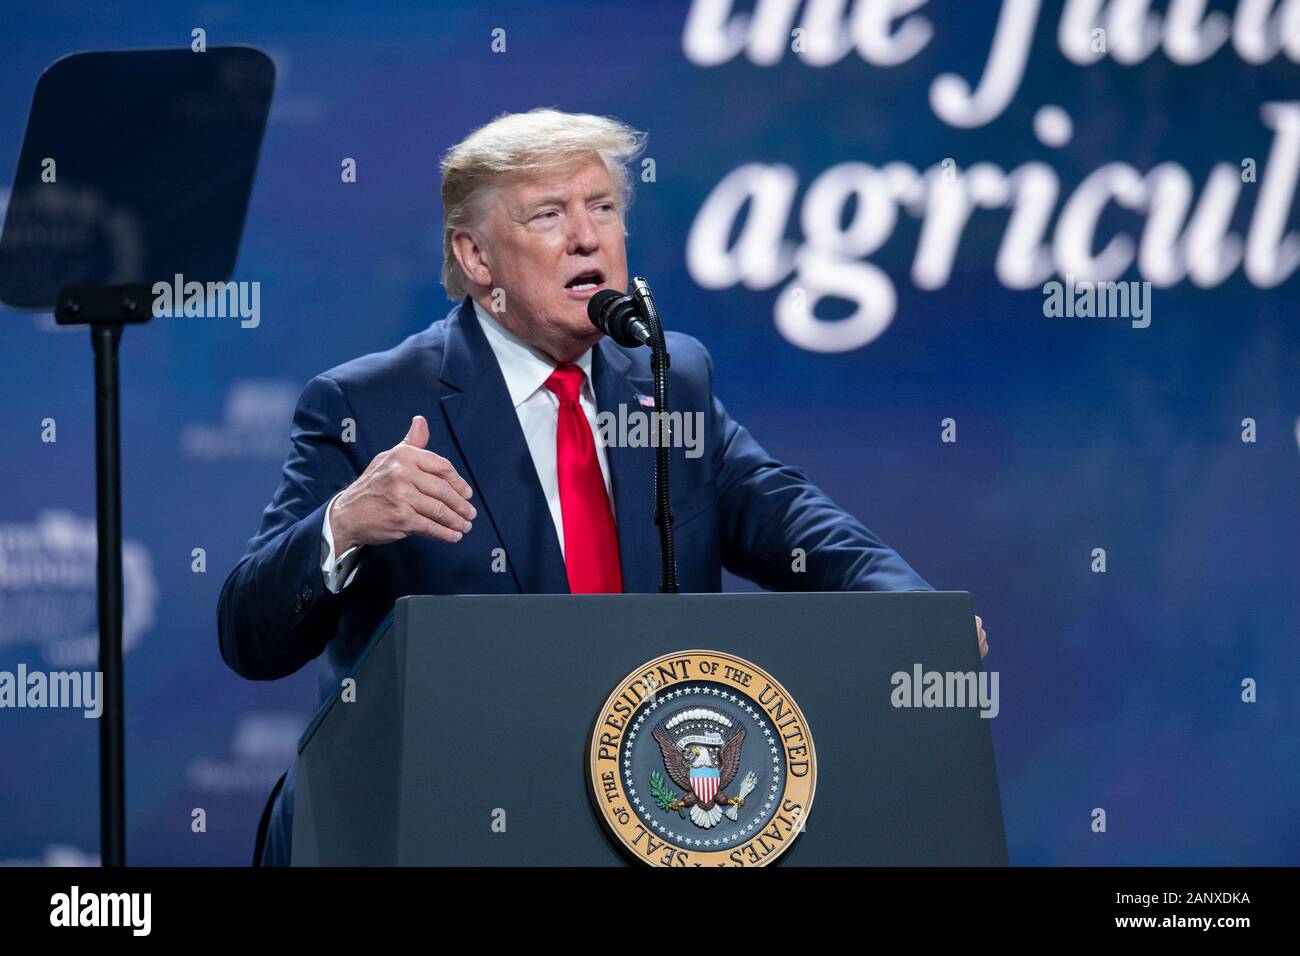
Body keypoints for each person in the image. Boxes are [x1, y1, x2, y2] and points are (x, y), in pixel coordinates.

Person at [217, 108, 987, 866]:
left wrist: (919, 620)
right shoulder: (368, 404)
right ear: (476, 258)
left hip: (636, 811)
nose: (588, 237)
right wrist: (344, 523)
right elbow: (250, 633)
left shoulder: (668, 378)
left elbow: (796, 522)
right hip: (433, 818)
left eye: (604, 209)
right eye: (549, 215)